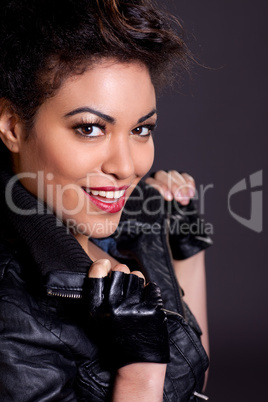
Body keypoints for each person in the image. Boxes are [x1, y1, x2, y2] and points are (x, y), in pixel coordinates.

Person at [0, 0, 212, 400]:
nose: (127, 165)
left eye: (142, 129)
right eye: (91, 128)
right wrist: (140, 372)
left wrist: (186, 246)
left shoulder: (125, 230)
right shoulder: (12, 313)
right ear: (12, 126)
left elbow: (192, 384)